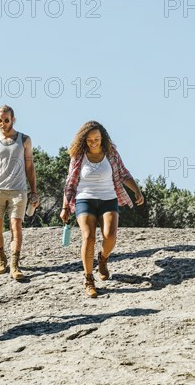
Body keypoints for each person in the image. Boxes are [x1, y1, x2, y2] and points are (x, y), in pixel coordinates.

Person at [60, 121, 144, 298]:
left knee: (110, 236)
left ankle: (103, 259)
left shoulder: (111, 153)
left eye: (96, 139)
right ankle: (89, 279)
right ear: (84, 140)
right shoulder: (78, 156)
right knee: (88, 236)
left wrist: (136, 190)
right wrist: (65, 206)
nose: (93, 143)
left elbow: (123, 174)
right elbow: (70, 183)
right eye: (90, 140)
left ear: (102, 138)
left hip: (108, 199)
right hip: (85, 199)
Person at [0, 105, 39, 281]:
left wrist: (33, 191)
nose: (3, 123)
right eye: (0, 120)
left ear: (13, 119)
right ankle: (1, 259)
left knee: (16, 226)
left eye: (6, 120)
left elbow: (29, 166)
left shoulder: (24, 140)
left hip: (18, 191)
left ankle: (15, 264)